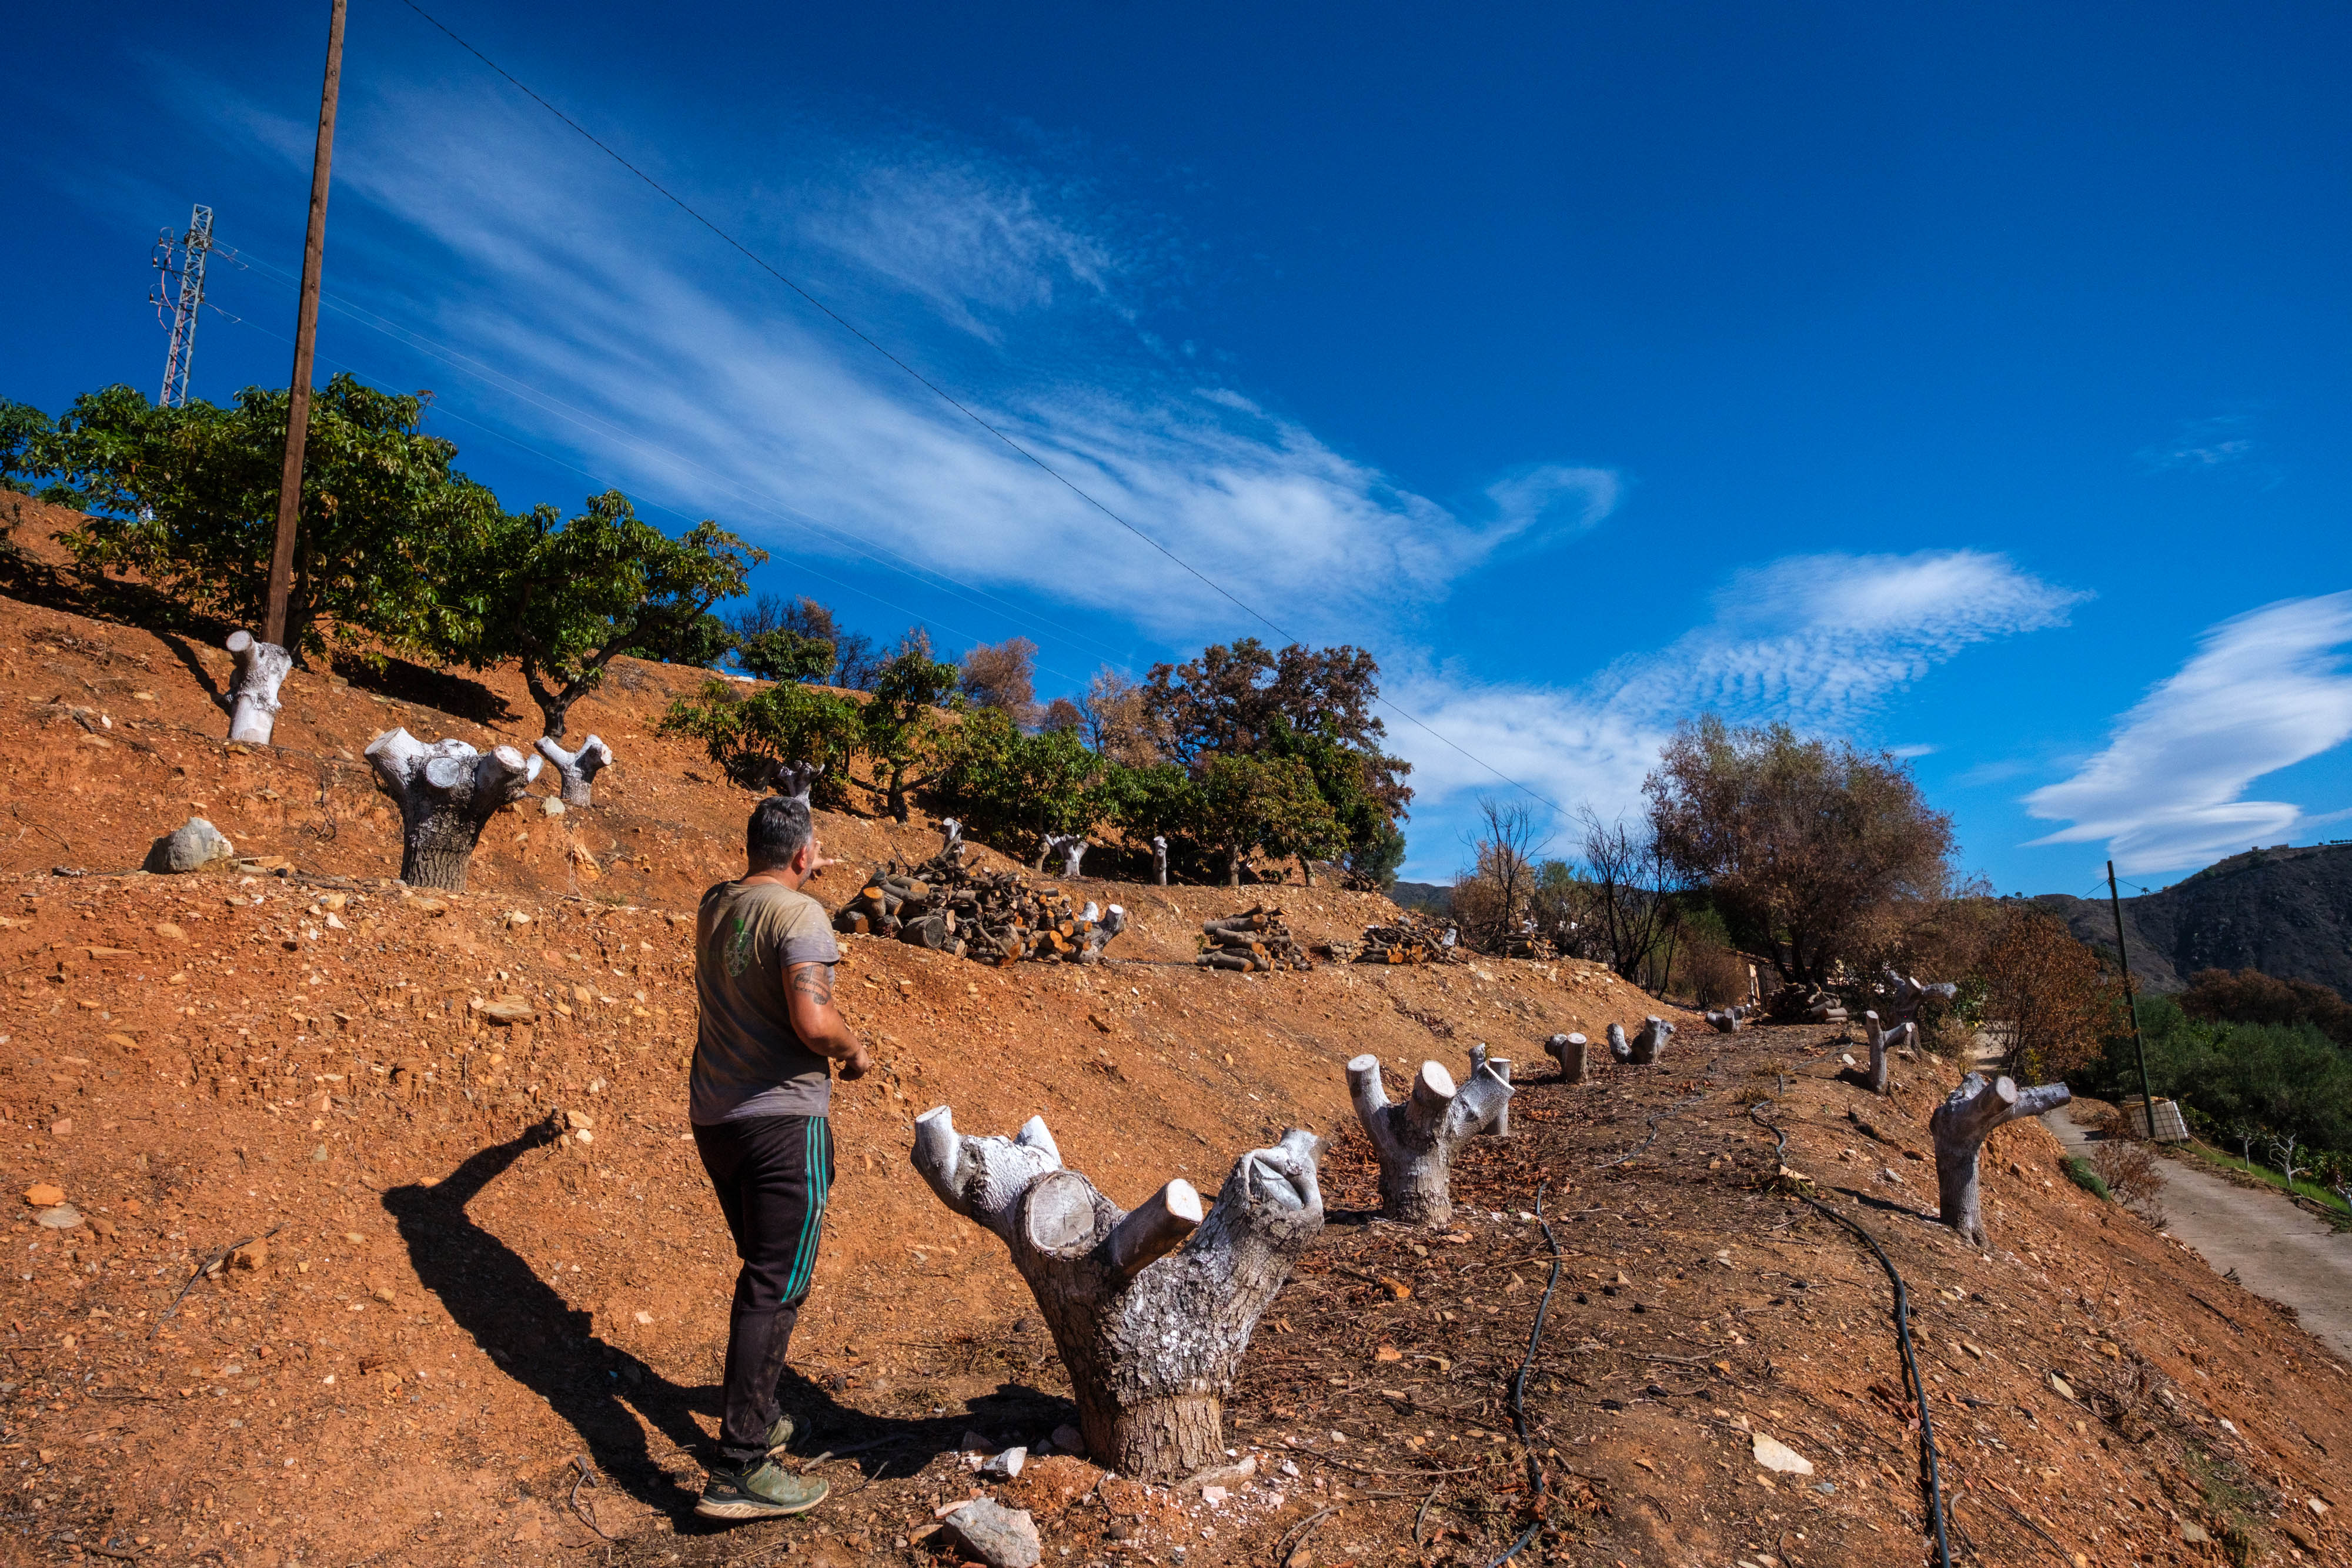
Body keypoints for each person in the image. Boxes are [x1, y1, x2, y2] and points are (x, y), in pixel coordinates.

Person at [689, 788, 870, 1521]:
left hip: (716, 1118)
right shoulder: (801, 914)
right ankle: (739, 1466)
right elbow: (813, 1020)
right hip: (782, 1122)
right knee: (777, 1284)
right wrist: (854, 1049)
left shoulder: (715, 904)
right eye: (815, 847)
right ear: (803, 853)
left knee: (762, 1269)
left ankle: (757, 1418)